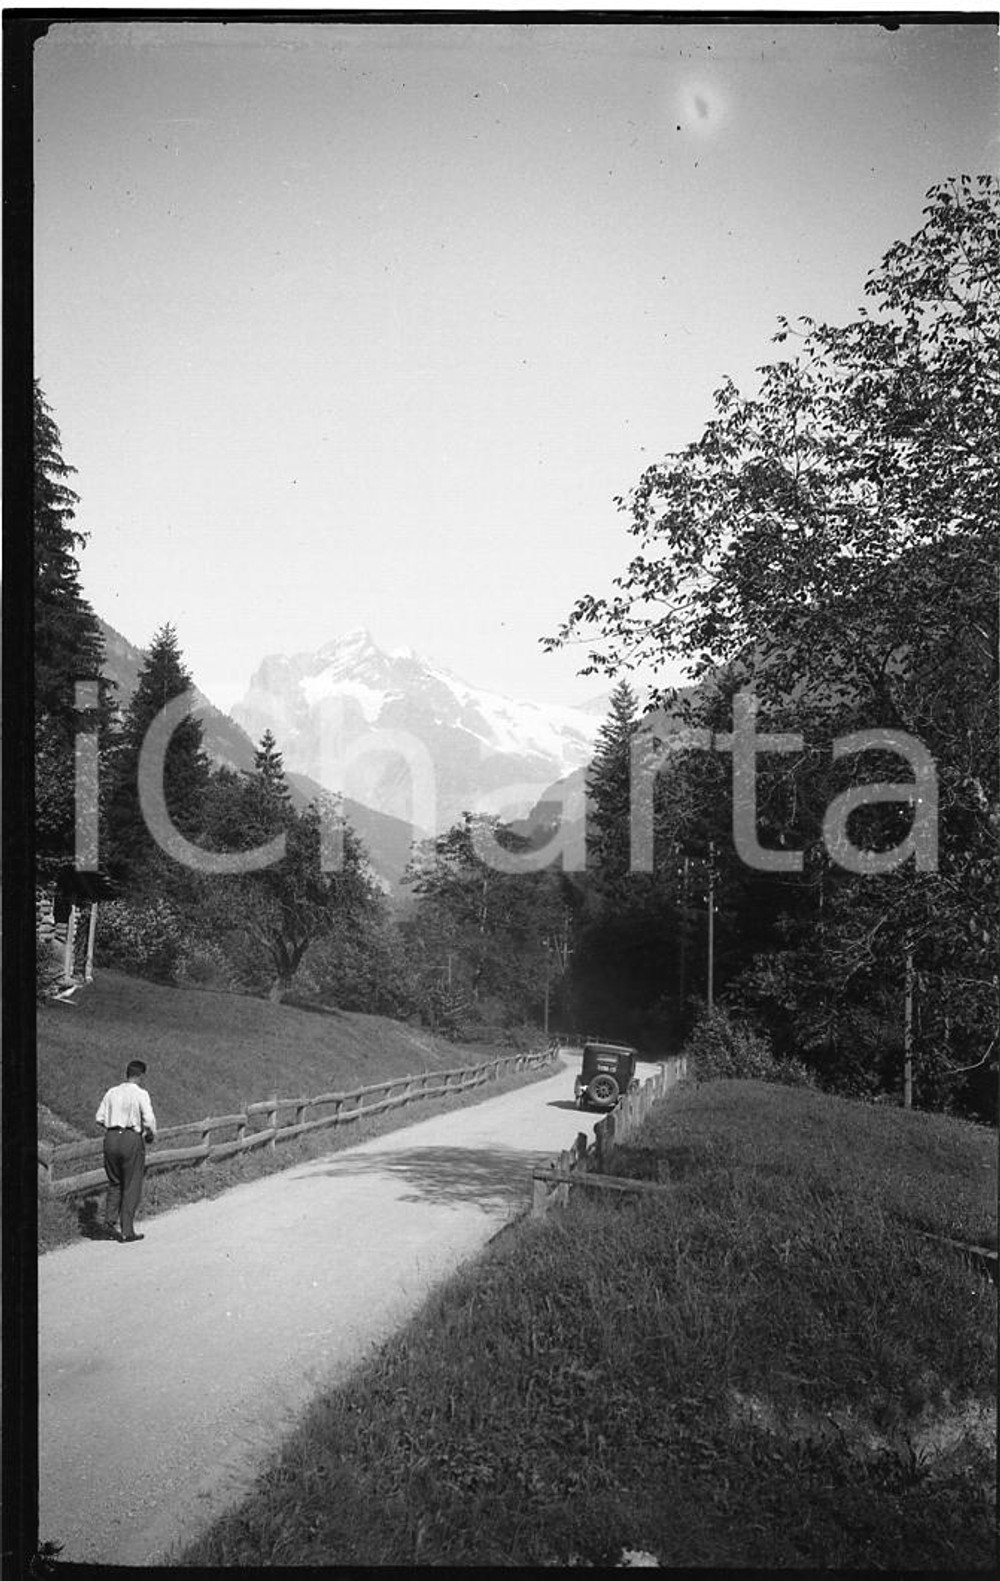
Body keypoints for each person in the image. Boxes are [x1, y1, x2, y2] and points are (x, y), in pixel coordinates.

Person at [95, 1059, 157, 1242]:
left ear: (127, 1073)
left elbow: (99, 1118)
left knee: (115, 1181)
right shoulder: (141, 1093)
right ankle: (127, 1230)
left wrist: (113, 1128)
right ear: (140, 1076)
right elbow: (149, 1119)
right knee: (131, 1183)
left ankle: (109, 1222)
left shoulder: (111, 1092)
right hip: (130, 1137)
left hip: (111, 1137)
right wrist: (150, 1134)